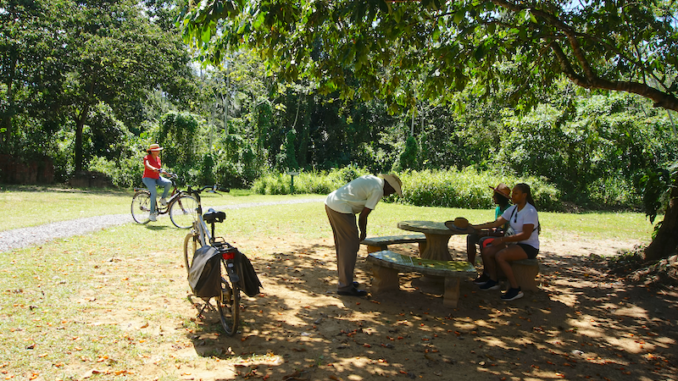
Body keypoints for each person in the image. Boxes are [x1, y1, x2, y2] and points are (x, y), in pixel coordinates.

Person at [325, 174, 403, 297]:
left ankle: (345, 280)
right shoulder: (378, 190)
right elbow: (363, 215)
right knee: (349, 247)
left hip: (331, 203)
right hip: (341, 208)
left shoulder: (372, 179)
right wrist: (363, 232)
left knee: (343, 245)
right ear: (388, 185)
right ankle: (345, 286)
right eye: (392, 191)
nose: (389, 194)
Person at [469, 183, 540, 301]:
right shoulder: (513, 209)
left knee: (500, 255)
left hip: (528, 246)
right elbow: (495, 223)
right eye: (513, 193)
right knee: (487, 252)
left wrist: (502, 240)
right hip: (514, 243)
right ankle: (493, 280)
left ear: (524, 195)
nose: (513, 196)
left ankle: (515, 289)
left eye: (516, 193)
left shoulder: (530, 211)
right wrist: (474, 227)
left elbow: (526, 235)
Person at [466, 183, 511, 265]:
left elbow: (505, 232)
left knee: (483, 239)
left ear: (501, 198)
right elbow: (496, 226)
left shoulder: (509, 210)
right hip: (497, 233)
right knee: (471, 236)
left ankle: (488, 268)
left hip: (503, 237)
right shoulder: (498, 209)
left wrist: (485, 233)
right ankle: (470, 264)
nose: (493, 197)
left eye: (495, 196)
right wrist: (483, 229)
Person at [142, 143, 172, 222]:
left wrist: (166, 173)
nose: (158, 152)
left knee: (169, 183)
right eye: (156, 150)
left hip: (156, 177)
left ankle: (162, 199)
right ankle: (152, 214)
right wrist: (153, 168)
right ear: (152, 151)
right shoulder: (147, 157)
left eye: (158, 150)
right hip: (148, 178)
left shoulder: (158, 159)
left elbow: (159, 169)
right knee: (154, 193)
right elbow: (147, 165)